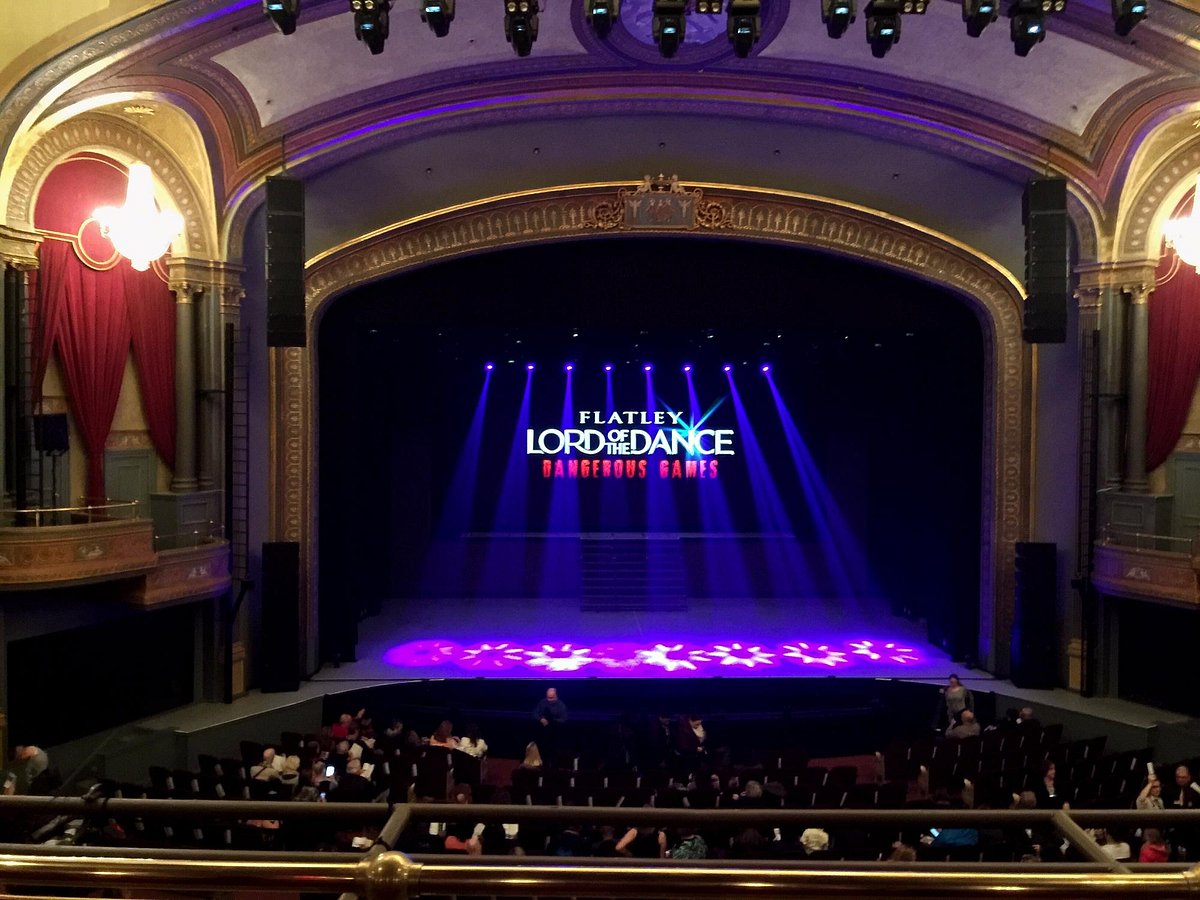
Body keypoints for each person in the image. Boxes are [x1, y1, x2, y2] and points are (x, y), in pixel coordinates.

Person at [533, 687, 567, 758]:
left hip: (555, 735)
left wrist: (551, 721)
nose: (549, 700)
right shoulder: (542, 702)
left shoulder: (561, 705)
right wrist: (541, 719)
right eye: (548, 697)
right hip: (542, 734)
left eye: (551, 698)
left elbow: (564, 719)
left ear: (556, 696)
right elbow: (534, 714)